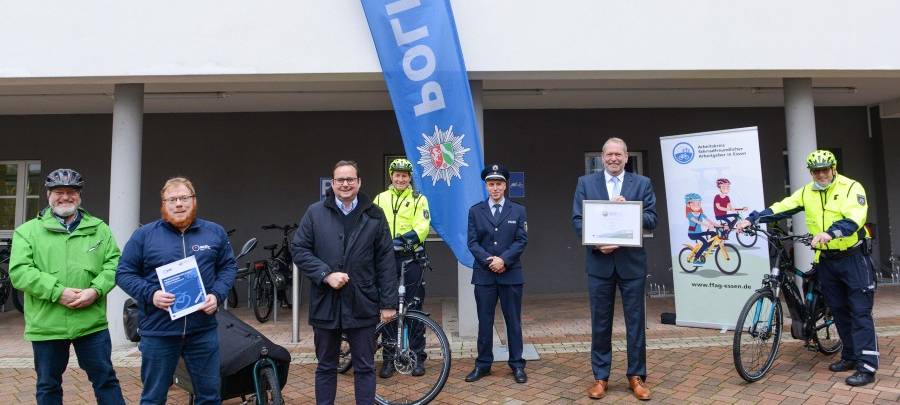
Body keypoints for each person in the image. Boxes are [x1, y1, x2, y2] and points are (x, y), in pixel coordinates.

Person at [736, 149, 878, 387]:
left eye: (825, 169)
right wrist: (753, 218)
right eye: (816, 171)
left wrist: (830, 233)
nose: (821, 174)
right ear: (811, 173)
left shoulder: (852, 188)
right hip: (827, 260)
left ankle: (867, 366)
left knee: (860, 312)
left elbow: (855, 219)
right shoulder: (807, 192)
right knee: (839, 310)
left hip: (853, 258)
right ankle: (850, 356)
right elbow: (783, 206)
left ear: (833, 168)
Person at [116, 177, 238, 404]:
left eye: (184, 198)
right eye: (172, 199)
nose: (179, 204)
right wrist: (151, 294)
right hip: (158, 332)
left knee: (210, 396)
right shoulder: (144, 236)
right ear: (163, 203)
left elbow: (228, 266)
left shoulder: (214, 232)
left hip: (202, 331)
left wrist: (217, 294)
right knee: (153, 397)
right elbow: (123, 273)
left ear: (194, 201)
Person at [9, 168, 125, 405]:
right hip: (47, 324)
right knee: (48, 384)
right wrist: (57, 292)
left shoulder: (99, 228)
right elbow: (20, 272)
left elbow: (115, 264)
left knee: (105, 379)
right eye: (59, 192)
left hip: (90, 323)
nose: (65, 197)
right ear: (48, 194)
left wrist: (96, 290)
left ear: (79, 195)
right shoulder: (27, 232)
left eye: (71, 192)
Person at [291, 160, 398, 405]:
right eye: (340, 180)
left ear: (359, 182)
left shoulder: (374, 214)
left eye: (351, 179)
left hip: (362, 301)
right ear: (333, 183)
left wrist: (388, 303)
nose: (345, 184)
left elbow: (385, 260)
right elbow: (299, 249)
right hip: (326, 302)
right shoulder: (315, 212)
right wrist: (325, 274)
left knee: (365, 366)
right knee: (326, 366)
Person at [571, 137, 657, 401]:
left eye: (618, 154)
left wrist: (629, 211)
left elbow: (652, 220)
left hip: (632, 265)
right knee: (600, 323)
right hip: (600, 263)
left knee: (635, 324)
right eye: (609, 154)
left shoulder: (642, 184)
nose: (614, 159)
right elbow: (577, 221)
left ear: (626, 157)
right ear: (602, 156)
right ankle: (600, 377)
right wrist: (597, 245)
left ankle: (636, 376)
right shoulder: (586, 183)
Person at [465, 164, 529, 384]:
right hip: (485, 275)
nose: (495, 188)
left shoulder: (518, 210)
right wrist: (490, 261)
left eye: (499, 184)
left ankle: (517, 365)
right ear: (486, 186)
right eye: (491, 184)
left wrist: (504, 260)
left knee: (513, 322)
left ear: (505, 185)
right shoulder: (475, 211)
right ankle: (483, 365)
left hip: (511, 274)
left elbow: (522, 240)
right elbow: (472, 242)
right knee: (485, 322)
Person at [373, 158, 431, 378]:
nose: (400, 179)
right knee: (388, 308)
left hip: (411, 260)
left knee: (414, 308)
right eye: (397, 175)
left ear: (409, 178)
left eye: (404, 176)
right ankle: (389, 359)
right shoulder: (380, 198)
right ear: (391, 176)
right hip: (386, 261)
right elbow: (374, 226)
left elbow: (422, 228)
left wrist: (398, 242)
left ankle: (417, 357)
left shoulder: (418, 199)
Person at [685, 193, 719, 264]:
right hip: (692, 234)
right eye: (694, 204)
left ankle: (707, 247)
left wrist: (719, 226)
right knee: (705, 243)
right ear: (688, 205)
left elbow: (709, 221)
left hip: (699, 233)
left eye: (699, 204)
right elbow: (696, 221)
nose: (697, 206)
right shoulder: (689, 215)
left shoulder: (701, 214)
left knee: (713, 233)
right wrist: (707, 225)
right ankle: (696, 259)